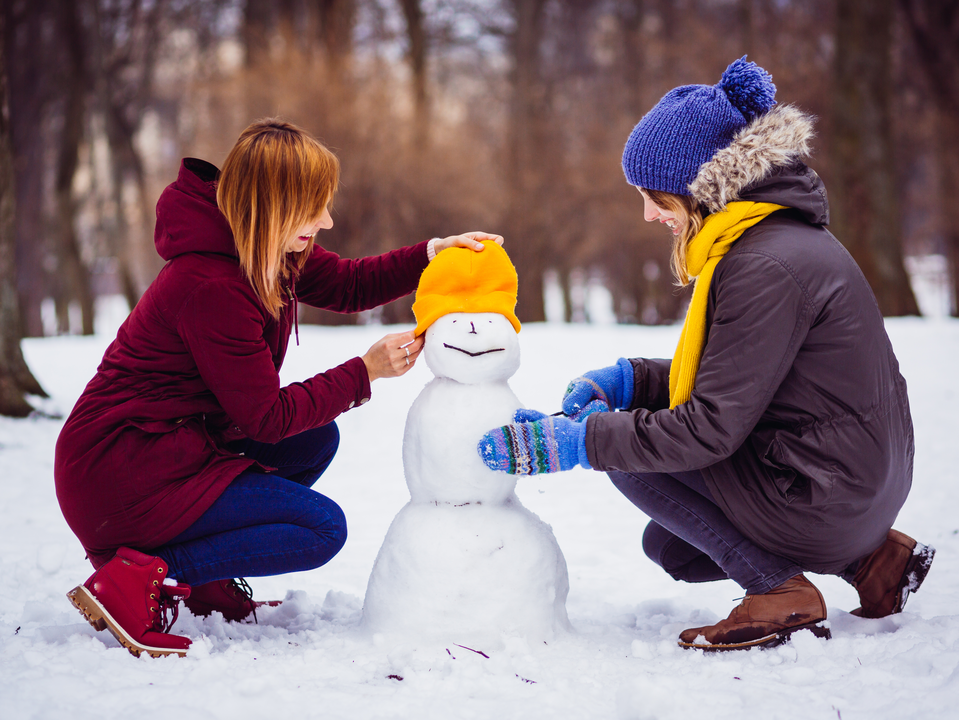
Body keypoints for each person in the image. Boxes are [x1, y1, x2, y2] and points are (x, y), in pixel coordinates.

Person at [478, 58, 935, 651]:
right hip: (853, 483)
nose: (648, 213)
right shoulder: (777, 239)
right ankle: (873, 563)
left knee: (625, 451)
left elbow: (708, 429)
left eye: (655, 195)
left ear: (699, 185)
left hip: (828, 492)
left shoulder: (763, 265)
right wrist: (629, 381)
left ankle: (780, 592)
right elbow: (748, 379)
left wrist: (579, 442)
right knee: (670, 548)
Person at [56, 118, 502, 658]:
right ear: (276, 205)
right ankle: (142, 580)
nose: (328, 221)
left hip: (169, 445)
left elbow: (348, 283)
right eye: (316, 207)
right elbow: (264, 418)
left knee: (316, 440)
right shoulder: (211, 285)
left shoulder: (264, 249)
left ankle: (199, 584)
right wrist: (364, 372)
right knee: (320, 529)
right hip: (122, 471)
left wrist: (433, 252)